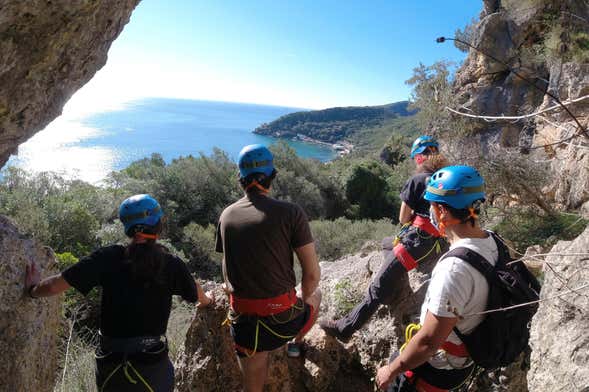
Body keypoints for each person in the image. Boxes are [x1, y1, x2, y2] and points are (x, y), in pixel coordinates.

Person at [24, 194, 213, 392]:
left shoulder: (108, 257)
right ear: (158, 225)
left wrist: (32, 290)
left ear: (127, 228)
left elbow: (55, 285)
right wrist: (208, 301)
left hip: (111, 365)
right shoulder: (171, 264)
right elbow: (196, 293)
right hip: (152, 365)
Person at [320, 135, 450, 341]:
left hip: (417, 243)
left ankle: (345, 328)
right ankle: (391, 286)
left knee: (376, 287)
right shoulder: (447, 177)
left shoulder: (416, 180)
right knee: (387, 242)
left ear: (419, 158)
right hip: (438, 243)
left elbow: (403, 218)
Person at [215, 144, 321, 392]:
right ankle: (295, 344)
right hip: (284, 323)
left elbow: (226, 266)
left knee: (253, 382)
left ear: (240, 178)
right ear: (272, 175)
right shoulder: (291, 213)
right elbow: (313, 274)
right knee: (317, 294)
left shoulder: (226, 215)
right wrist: (303, 301)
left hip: (244, 325)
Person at [375, 165, 491, 391]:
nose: (429, 211)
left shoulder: (453, 269)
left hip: (440, 368)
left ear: (443, 212)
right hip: (468, 359)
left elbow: (428, 343)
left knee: (393, 367)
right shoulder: (493, 242)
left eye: (431, 205)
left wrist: (390, 371)